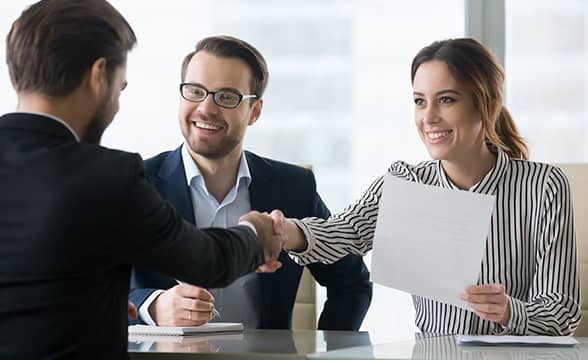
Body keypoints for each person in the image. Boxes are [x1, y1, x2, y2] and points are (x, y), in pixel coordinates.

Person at [0, 1, 281, 358]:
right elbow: (206, 260)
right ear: (98, 75)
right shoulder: (107, 176)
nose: (116, 103)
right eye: (120, 87)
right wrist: (256, 234)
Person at [272, 38, 582, 335]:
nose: (429, 117)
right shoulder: (407, 183)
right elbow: (344, 232)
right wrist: (284, 231)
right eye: (420, 101)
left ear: (488, 105)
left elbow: (562, 312)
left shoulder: (544, 186)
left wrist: (509, 311)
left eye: (446, 99)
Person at [129, 35, 372, 330]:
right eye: (195, 91)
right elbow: (81, 292)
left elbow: (352, 282)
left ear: (254, 111)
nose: (206, 108)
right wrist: (151, 306)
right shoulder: (133, 184)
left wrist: (329, 351)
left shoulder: (293, 188)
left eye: (227, 96)